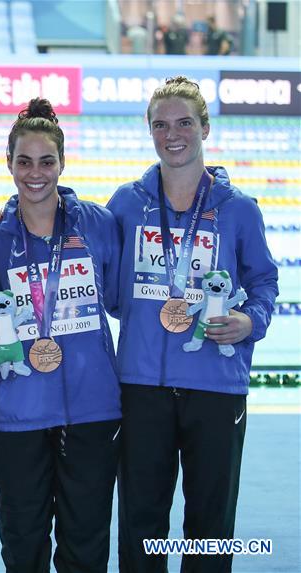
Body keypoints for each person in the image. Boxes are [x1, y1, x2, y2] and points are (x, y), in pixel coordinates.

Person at [107, 76, 278, 572]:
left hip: (215, 386)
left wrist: (251, 321)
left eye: (184, 122)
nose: (172, 133)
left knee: (210, 523)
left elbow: (264, 282)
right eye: (160, 125)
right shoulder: (126, 205)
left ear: (204, 127)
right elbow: (104, 276)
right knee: (141, 520)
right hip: (142, 385)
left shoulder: (239, 209)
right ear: (150, 132)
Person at [0, 98, 122, 573]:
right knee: (23, 543)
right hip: (19, 414)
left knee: (87, 541)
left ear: (62, 162)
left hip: (92, 409)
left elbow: (120, 300)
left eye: (46, 161)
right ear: (9, 164)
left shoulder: (98, 225)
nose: (35, 173)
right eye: (24, 161)